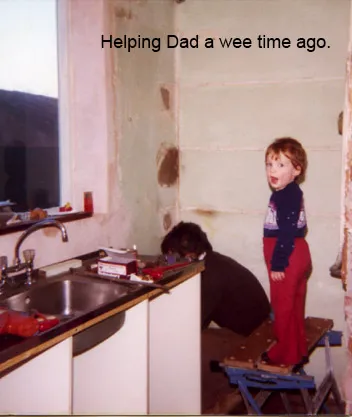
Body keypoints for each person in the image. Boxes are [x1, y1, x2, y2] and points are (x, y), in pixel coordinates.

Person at [161, 221, 271, 337]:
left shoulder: (211, 277)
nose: (169, 262)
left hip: (253, 333)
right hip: (256, 323)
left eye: (170, 257)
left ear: (189, 256)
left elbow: (196, 323)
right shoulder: (212, 261)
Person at [262, 137, 312, 366]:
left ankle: (283, 353)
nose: (273, 170)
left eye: (281, 165)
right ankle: (298, 348)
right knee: (294, 306)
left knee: (282, 307)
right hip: (298, 252)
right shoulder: (290, 192)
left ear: (296, 170)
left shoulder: (285, 195)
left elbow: (286, 232)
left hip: (286, 254)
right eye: (269, 164)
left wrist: (279, 263)